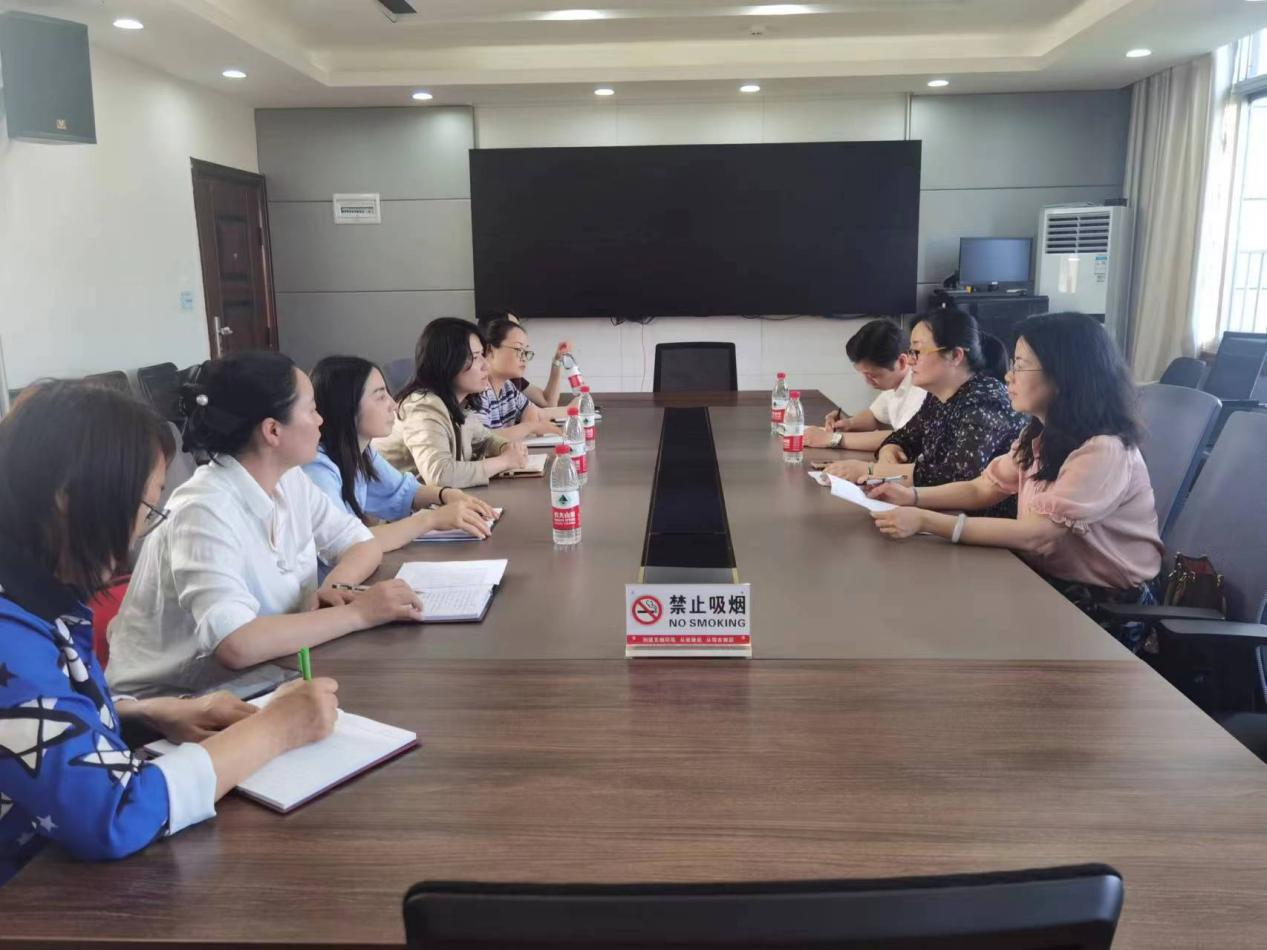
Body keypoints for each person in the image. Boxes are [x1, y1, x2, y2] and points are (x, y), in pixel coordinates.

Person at [0, 381, 338, 884]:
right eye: (144, 508)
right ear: (68, 497)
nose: (138, 534)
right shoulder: (9, 636)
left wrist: (151, 714)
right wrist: (275, 729)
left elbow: (39, 719)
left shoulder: (39, 594)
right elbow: (114, 810)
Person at [107, 351, 424, 699]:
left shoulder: (290, 480)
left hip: (263, 676)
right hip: (170, 705)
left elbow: (361, 543)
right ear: (273, 430)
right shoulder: (204, 509)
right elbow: (236, 643)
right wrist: (359, 613)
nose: (321, 420)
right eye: (311, 409)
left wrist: (336, 588)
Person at [865, 313, 1163, 614]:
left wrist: (926, 521)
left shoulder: (1104, 449)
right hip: (1044, 580)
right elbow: (982, 488)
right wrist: (911, 496)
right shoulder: (1040, 434)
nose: (1009, 376)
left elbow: (1036, 535)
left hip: (1103, 606)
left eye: (1020, 365)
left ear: (1064, 375)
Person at [825, 308, 1025, 516]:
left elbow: (954, 475)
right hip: (945, 515)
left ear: (955, 356)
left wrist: (871, 470)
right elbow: (903, 436)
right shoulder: (938, 396)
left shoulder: (986, 401)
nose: (911, 360)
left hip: (984, 525)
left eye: (917, 352)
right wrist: (889, 451)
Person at [305, 355, 499, 551]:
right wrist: (431, 519)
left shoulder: (361, 452)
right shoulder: (317, 469)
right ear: (345, 405)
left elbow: (403, 490)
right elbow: (347, 542)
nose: (394, 405)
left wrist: (446, 495)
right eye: (380, 396)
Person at [374, 319, 530, 489]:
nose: (486, 365)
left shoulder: (459, 401)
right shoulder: (423, 407)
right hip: (390, 505)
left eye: (482, 355)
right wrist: (504, 461)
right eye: (475, 357)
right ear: (448, 362)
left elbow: (485, 439)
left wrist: (506, 447)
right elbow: (440, 475)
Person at [803, 318, 926, 452]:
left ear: (901, 362)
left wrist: (832, 439)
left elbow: (902, 438)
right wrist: (849, 423)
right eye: (863, 374)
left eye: (873, 375)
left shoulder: (921, 389)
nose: (867, 381)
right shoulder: (895, 383)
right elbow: (876, 416)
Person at [476, 319, 565, 439]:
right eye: (519, 350)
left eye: (526, 351)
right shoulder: (479, 390)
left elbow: (534, 411)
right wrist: (529, 426)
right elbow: (483, 440)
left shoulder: (508, 387)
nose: (524, 358)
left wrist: (530, 418)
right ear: (490, 350)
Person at [477, 310, 572, 409]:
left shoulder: (509, 385)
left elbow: (547, 403)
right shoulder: (478, 390)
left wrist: (557, 360)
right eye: (511, 326)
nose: (519, 332)